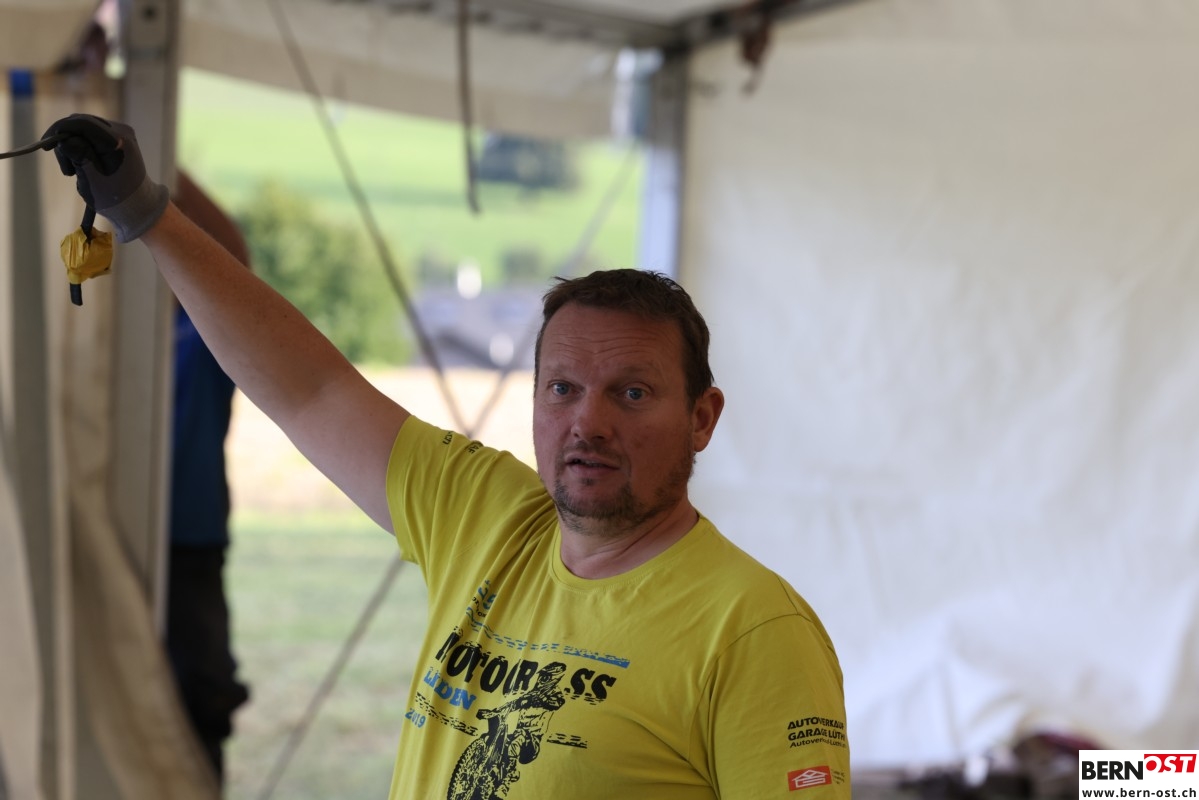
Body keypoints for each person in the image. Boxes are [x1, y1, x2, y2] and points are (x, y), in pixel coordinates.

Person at [42, 113, 851, 798]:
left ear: (702, 418)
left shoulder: (751, 629)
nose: (588, 422)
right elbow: (309, 389)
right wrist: (145, 213)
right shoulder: (484, 515)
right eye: (562, 389)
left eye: (631, 393)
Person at [166, 170, 252, 782]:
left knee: (201, 705)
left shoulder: (198, 339)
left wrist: (159, 176)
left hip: (189, 546)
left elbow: (235, 266)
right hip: (107, 533)